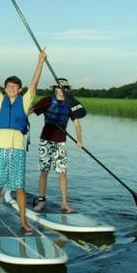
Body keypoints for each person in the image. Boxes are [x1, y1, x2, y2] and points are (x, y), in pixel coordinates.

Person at [0, 41, 46, 232]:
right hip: (1, 148)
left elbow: (34, 84)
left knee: (19, 187)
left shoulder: (25, 101)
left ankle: (23, 222)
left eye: (15, 87)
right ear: (5, 88)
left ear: (19, 89)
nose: (11, 88)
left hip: (17, 148)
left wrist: (40, 61)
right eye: (8, 86)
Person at [30, 78, 83, 213]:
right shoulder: (47, 101)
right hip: (46, 140)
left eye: (65, 88)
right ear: (55, 89)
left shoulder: (70, 104)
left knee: (63, 173)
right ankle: (41, 202)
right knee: (44, 172)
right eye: (60, 87)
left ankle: (64, 203)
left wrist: (79, 140)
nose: (62, 90)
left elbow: (76, 122)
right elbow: (30, 111)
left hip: (61, 142)